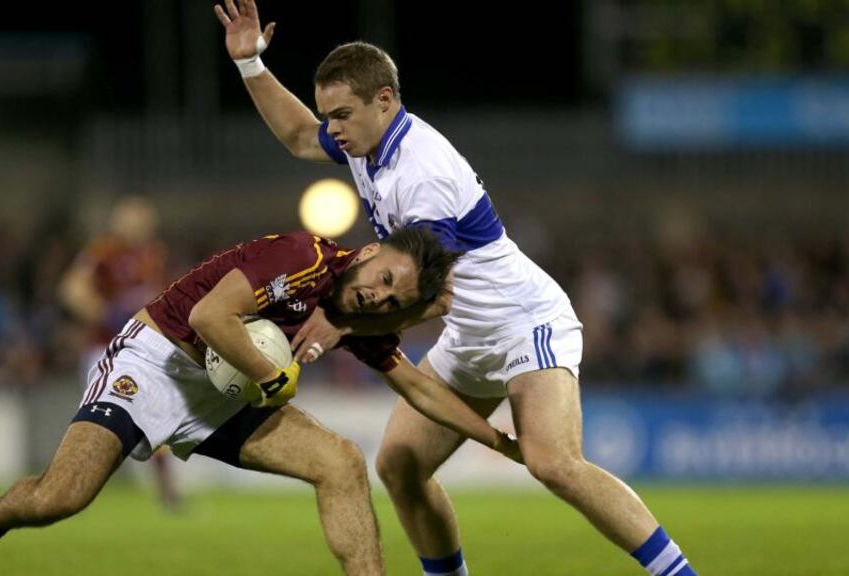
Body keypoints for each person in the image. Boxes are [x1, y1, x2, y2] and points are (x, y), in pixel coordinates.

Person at [215, 2, 698, 575]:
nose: (333, 129)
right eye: (330, 115)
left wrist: (339, 324)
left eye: (342, 114)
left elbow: (422, 298)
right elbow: (298, 137)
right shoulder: (367, 147)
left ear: (386, 100)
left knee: (553, 462)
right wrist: (250, 66)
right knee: (399, 464)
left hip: (524, 323)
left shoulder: (423, 175)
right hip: (471, 334)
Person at [0, 228, 521, 576]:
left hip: (226, 391)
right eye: (382, 280)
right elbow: (210, 316)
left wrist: (499, 440)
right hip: (156, 362)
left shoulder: (354, 318)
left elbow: (416, 387)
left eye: (394, 301)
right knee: (57, 499)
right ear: (366, 254)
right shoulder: (303, 259)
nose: (379, 299)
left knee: (340, 462)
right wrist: (272, 377)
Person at [58, 195, 182, 510]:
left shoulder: (154, 255)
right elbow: (71, 289)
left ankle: (165, 490)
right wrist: (105, 314)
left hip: (141, 348)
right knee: (107, 421)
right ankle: (72, 484)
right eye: (131, 218)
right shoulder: (103, 252)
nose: (138, 224)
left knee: (153, 414)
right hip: (107, 348)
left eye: (142, 218)